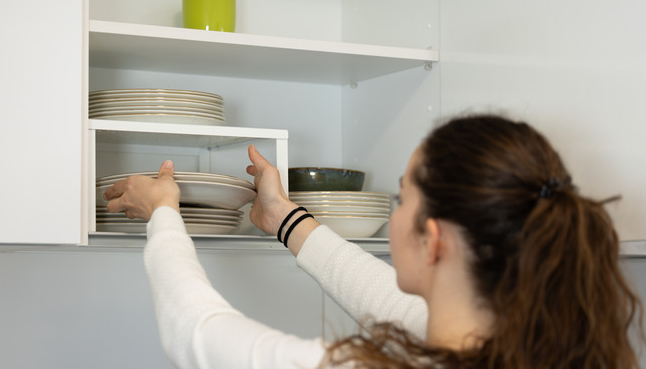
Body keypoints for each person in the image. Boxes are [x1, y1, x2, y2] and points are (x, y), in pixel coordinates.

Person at [103, 113, 644, 368]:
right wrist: (284, 218)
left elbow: (196, 334)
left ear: (432, 241)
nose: (396, 209)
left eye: (403, 199)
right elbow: (392, 301)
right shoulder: (548, 352)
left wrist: (163, 212)